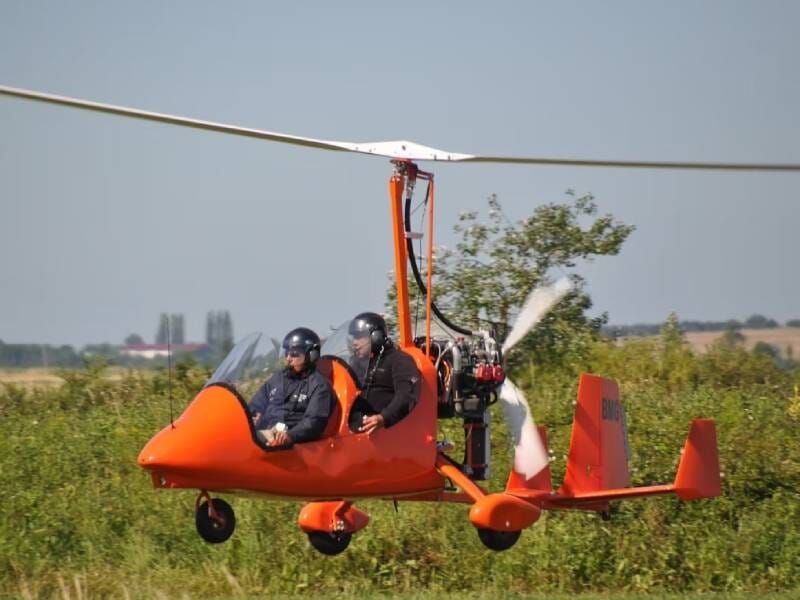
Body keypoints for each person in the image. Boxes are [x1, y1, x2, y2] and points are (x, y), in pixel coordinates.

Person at [249, 327, 333, 447]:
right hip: (266, 434)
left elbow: (314, 421)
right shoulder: (278, 379)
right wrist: (253, 415)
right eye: (287, 353)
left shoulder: (319, 386)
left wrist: (290, 435)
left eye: (294, 354)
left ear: (311, 355)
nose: (288, 358)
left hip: (288, 444)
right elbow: (256, 404)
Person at [347, 312, 421, 434]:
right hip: (354, 425)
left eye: (359, 336)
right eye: (354, 337)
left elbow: (406, 396)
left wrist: (383, 418)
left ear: (376, 336)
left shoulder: (400, 360)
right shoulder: (356, 362)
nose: (355, 342)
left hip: (382, 432)